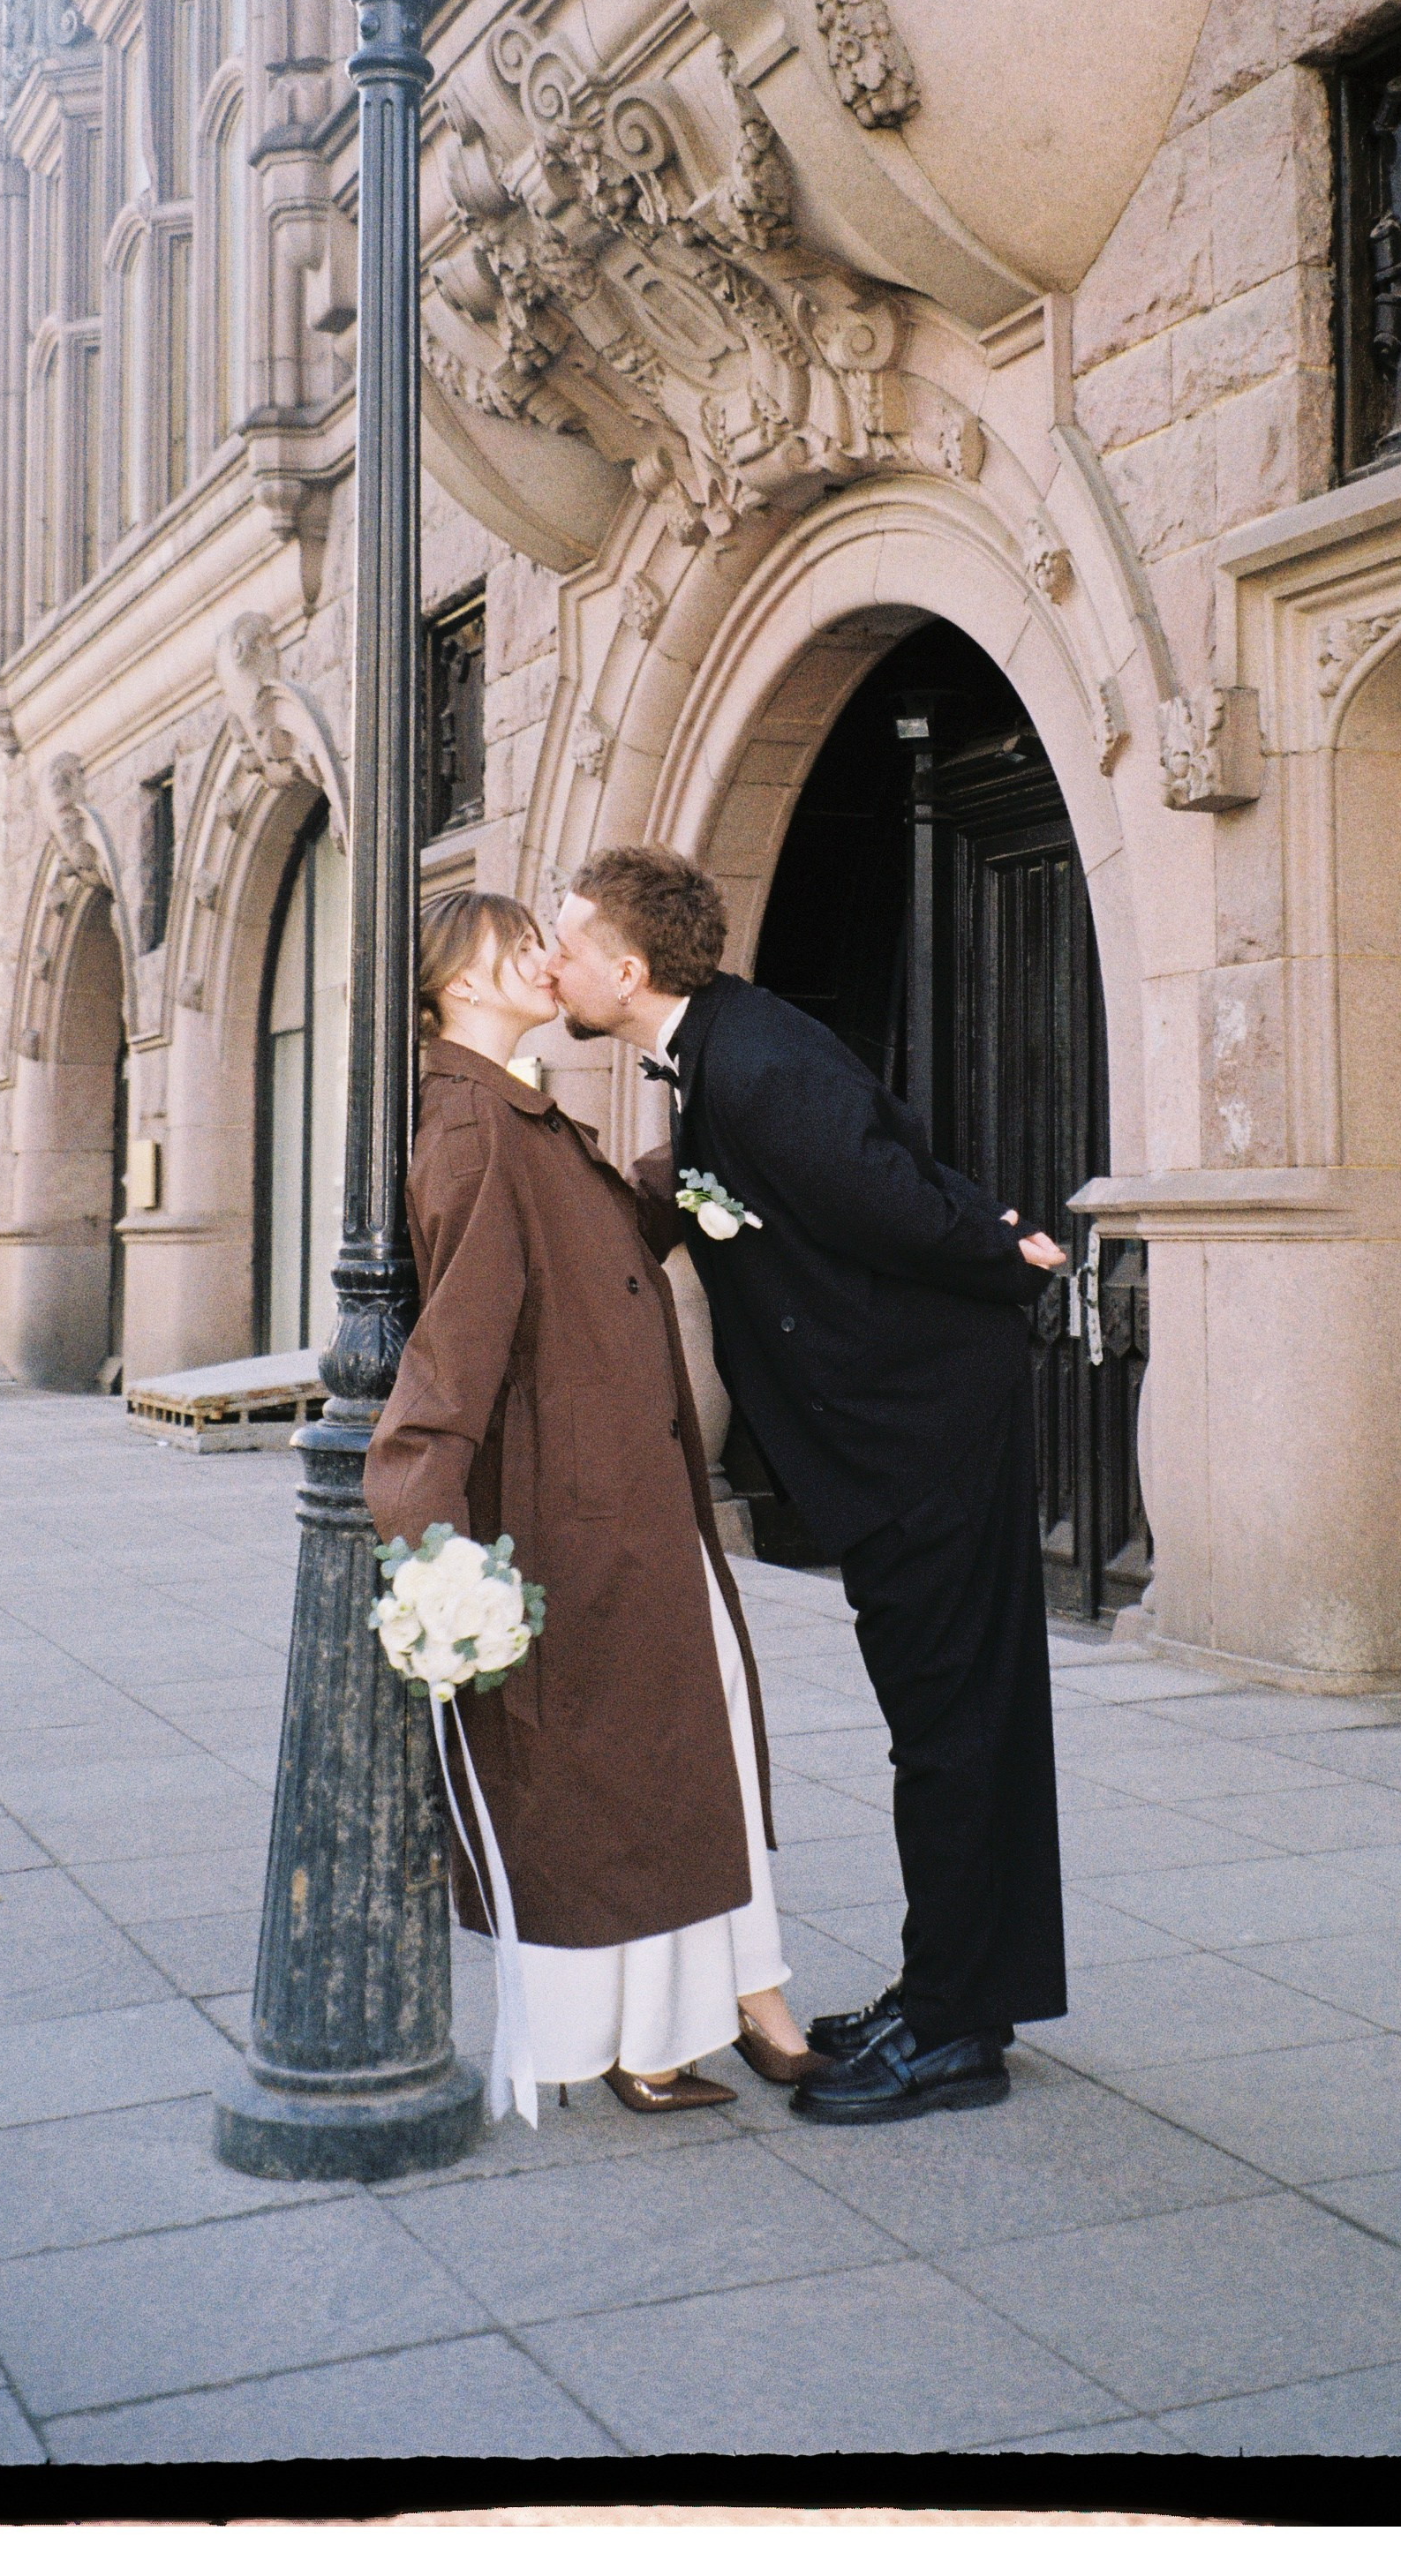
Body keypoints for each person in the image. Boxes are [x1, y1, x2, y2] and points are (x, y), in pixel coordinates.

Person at [548, 843, 1071, 2126]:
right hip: (898, 1430)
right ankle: (953, 1985)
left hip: (920, 1430)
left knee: (952, 1731)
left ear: (626, 967)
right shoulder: (718, 1051)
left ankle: (957, 2030)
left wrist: (1010, 1252)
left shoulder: (757, 1059)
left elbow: (887, 1195)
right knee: (949, 1726)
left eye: (562, 941)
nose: (548, 961)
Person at [364, 888, 826, 2112]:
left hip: (622, 1494)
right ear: (456, 984)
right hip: (580, 1510)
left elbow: (611, 1230)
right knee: (645, 1765)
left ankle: (699, 2017)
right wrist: (425, 1535)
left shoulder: (520, 1114)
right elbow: (452, 1343)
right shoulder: (469, 1123)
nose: (540, 954)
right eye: (514, 943)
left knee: (682, 1745)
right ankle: (658, 2036)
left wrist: (712, 1146)